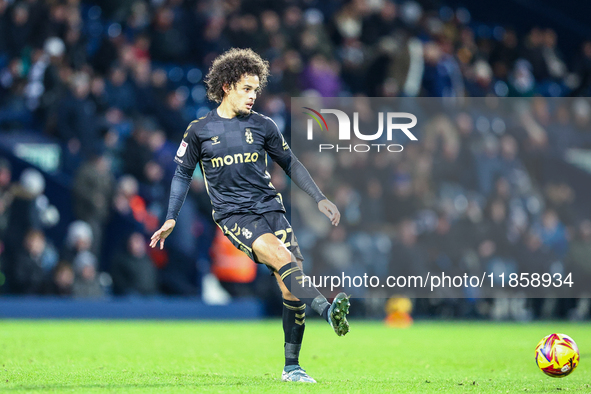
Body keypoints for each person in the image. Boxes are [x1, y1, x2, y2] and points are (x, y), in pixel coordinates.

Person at [150, 48, 350, 383]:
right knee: (282, 257)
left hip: (271, 209)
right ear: (226, 86)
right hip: (234, 215)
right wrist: (171, 215)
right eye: (247, 88)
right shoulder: (199, 130)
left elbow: (290, 164)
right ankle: (326, 310)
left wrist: (319, 198)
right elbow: (182, 174)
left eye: (256, 90)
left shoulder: (264, 126)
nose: (253, 96)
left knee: (291, 286)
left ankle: (292, 368)